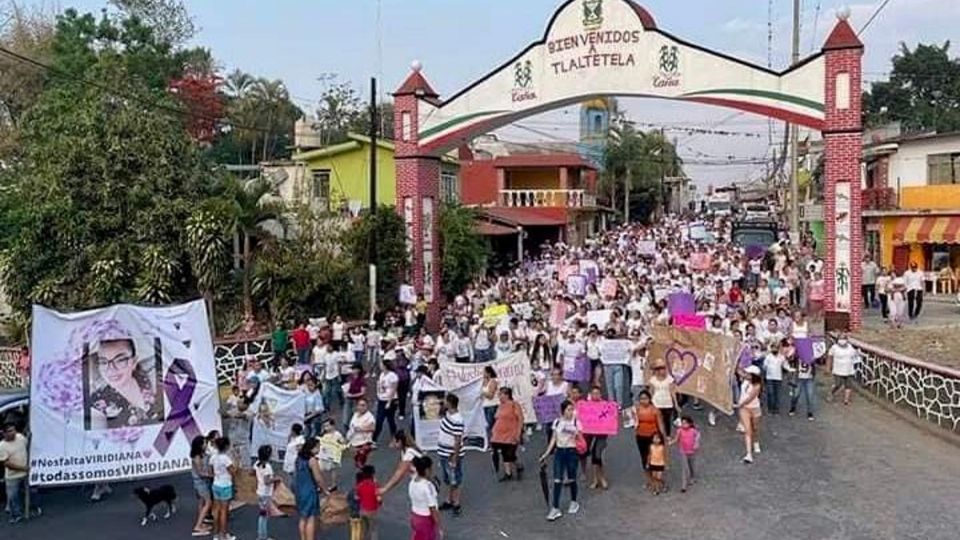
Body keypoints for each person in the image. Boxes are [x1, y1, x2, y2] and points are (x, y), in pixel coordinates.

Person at [88, 337, 162, 430]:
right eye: (103, 362)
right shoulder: (96, 404)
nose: (111, 369)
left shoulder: (152, 375)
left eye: (120, 360)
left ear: (134, 362)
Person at [540, 399, 581, 522]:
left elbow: (580, 436)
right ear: (563, 411)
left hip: (571, 451)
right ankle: (555, 507)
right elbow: (553, 438)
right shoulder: (557, 422)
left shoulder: (575, 421)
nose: (571, 412)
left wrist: (574, 432)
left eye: (572, 409)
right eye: (568, 409)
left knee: (572, 478)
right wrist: (546, 453)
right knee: (557, 479)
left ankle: (574, 501)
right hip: (559, 452)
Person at [295, 438, 331, 540]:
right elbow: (318, 478)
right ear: (312, 448)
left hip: (300, 490)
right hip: (310, 491)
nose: (319, 449)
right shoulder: (312, 460)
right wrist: (325, 490)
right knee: (311, 518)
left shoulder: (299, 458)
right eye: (317, 447)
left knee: (302, 517)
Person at [1, 422, 37, 524]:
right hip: (13, 476)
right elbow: (7, 464)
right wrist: (23, 468)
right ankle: (16, 515)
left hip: (26, 473)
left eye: (14, 430)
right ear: (3, 433)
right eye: (10, 431)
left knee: (32, 491)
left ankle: (31, 509)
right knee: (13, 497)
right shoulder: (2, 446)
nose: (13, 433)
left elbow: (28, 446)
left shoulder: (20, 437)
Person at [437, 393, 464, 517]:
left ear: (449, 403)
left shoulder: (458, 420)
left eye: (445, 401)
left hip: (450, 454)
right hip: (444, 452)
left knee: (455, 479)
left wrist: (454, 457)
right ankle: (449, 499)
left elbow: (458, 440)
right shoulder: (448, 414)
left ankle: (456, 503)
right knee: (448, 479)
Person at [490, 387, 524, 482]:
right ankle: (508, 473)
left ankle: (518, 466)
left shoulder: (514, 405)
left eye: (501, 394)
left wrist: (518, 433)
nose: (499, 396)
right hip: (499, 435)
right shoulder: (500, 406)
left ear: (507, 395)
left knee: (510, 453)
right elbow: (497, 419)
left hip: (511, 433)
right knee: (504, 453)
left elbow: (520, 419)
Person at [379, 430, 423, 496]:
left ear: (399, 441)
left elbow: (399, 474)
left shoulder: (409, 454)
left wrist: (385, 489)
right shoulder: (406, 451)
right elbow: (400, 467)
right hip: (420, 481)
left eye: (394, 442)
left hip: (421, 484)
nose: (393, 444)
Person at [633, 390, 665, 481]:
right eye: (641, 399)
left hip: (652, 436)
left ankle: (655, 477)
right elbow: (630, 422)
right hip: (640, 435)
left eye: (645, 398)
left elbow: (660, 424)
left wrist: (663, 436)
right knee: (643, 456)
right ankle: (648, 478)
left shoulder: (655, 410)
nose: (643, 401)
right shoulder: (636, 409)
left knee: (653, 457)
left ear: (649, 399)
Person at [408, 456, 442, 540]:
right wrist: (439, 527)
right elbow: (433, 509)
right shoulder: (428, 487)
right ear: (427, 470)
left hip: (415, 516)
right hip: (426, 520)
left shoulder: (412, 482)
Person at [209, 436, 236, 540]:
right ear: (226, 446)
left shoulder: (213, 457)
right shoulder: (226, 459)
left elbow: (211, 471)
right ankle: (223, 535)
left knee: (216, 510)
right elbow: (233, 472)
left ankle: (216, 535)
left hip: (216, 485)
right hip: (225, 486)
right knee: (224, 511)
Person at [584, 386, 609, 490]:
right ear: (590, 394)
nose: (595, 396)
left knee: (597, 454)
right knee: (593, 455)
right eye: (593, 393)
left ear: (600, 394)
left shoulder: (605, 405)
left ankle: (601, 478)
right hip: (590, 433)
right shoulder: (587, 405)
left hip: (602, 433)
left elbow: (610, 418)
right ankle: (596, 479)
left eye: (597, 393)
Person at [738, 366, 763, 464]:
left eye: (749, 374)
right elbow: (739, 371)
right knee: (748, 430)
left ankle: (756, 442)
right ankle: (749, 454)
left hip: (754, 408)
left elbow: (750, 398)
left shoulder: (757, 385)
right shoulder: (745, 379)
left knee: (755, 428)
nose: (746, 375)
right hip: (744, 409)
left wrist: (739, 404)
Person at [189, 435, 213, 536]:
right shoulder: (197, 457)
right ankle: (197, 526)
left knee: (202, 503)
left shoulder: (202, 454)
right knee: (208, 503)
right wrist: (212, 475)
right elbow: (200, 473)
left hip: (202, 483)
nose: (205, 444)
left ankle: (201, 522)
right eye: (204, 443)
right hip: (201, 483)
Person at [254, 445, 279, 540]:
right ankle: (262, 537)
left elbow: (254, 472)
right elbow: (267, 481)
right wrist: (276, 478)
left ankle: (262, 536)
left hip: (259, 491)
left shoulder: (257, 464)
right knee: (264, 516)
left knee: (263, 514)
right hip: (266, 493)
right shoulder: (267, 467)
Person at [648, 361, 679, 437]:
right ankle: (658, 435)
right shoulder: (652, 380)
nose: (662, 370)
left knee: (667, 420)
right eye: (659, 369)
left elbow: (672, 392)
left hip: (667, 403)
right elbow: (650, 392)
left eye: (663, 368)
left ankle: (667, 435)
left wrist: (676, 404)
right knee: (657, 420)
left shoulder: (669, 379)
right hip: (656, 403)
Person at [828, 333, 859, 406]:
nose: (842, 341)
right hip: (838, 370)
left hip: (849, 370)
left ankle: (846, 400)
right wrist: (828, 368)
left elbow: (855, 356)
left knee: (848, 385)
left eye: (844, 338)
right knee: (838, 384)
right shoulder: (834, 348)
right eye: (841, 339)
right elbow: (830, 357)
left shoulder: (850, 347)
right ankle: (832, 392)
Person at [373, 359, 399, 443]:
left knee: (388, 419)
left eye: (381, 364)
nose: (380, 366)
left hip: (390, 400)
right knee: (381, 419)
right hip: (382, 399)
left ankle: (394, 437)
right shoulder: (382, 375)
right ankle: (374, 438)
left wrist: (389, 402)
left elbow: (394, 389)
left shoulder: (393, 376)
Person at [317, 418, 348, 489]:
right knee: (321, 469)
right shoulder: (323, 434)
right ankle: (322, 484)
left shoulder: (337, 434)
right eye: (324, 426)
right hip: (323, 454)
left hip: (332, 455)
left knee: (333, 470)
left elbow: (343, 442)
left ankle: (333, 485)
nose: (326, 428)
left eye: (327, 426)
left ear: (333, 425)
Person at [348, 398, 376, 469]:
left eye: (363, 405)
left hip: (364, 442)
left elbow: (372, 428)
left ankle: (366, 474)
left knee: (361, 462)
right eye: (360, 405)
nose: (361, 407)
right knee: (356, 461)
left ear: (367, 406)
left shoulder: (369, 417)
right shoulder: (355, 414)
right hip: (354, 441)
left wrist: (361, 429)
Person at [675, 416, 700, 493]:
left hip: (692, 451)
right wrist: (670, 443)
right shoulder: (679, 431)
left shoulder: (693, 430)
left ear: (689, 424)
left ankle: (693, 476)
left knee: (691, 465)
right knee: (685, 468)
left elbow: (698, 435)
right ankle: (684, 485)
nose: (684, 425)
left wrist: (696, 443)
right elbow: (676, 439)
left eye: (685, 423)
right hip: (683, 451)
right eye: (682, 423)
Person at [355, 465, 380, 540]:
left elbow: (356, 497)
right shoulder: (375, 485)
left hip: (362, 510)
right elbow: (379, 499)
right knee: (373, 530)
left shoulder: (360, 485)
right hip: (372, 510)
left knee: (363, 530)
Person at [787, 355, 816, 420]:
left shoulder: (811, 357)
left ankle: (810, 412)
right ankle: (793, 407)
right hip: (799, 378)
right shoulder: (797, 357)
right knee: (796, 395)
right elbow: (790, 361)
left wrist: (813, 374)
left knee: (810, 396)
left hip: (809, 378)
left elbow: (813, 366)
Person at [342, 363, 367, 431]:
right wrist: (345, 392)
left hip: (357, 400)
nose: (352, 370)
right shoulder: (350, 377)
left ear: (358, 370)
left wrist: (352, 395)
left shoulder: (362, 379)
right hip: (348, 399)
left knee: (356, 418)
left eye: (354, 369)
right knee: (346, 419)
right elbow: (346, 386)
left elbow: (363, 392)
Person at [763, 344, 786, 414]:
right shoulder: (768, 357)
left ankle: (776, 408)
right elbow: (764, 366)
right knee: (770, 393)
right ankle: (770, 408)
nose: (774, 350)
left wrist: (790, 369)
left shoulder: (781, 357)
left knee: (777, 394)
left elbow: (785, 365)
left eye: (776, 348)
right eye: (773, 348)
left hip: (778, 377)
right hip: (769, 377)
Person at [481, 366, 500, 440]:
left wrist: (482, 393)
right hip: (485, 406)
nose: (483, 373)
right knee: (489, 425)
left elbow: (491, 396)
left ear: (489, 373)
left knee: (491, 425)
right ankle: (492, 441)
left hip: (492, 406)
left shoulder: (493, 381)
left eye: (484, 372)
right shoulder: (484, 382)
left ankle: (494, 441)